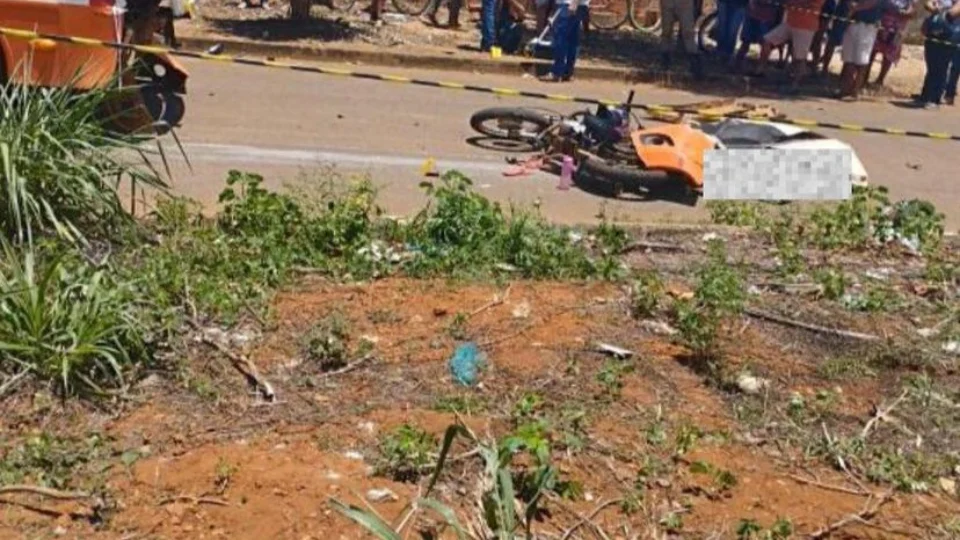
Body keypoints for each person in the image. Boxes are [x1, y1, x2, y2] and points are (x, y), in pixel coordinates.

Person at [754, 0, 826, 88]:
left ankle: (795, 84)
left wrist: (793, 3)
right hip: (789, 22)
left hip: (805, 27)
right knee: (767, 40)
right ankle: (760, 71)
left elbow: (811, 5)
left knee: (799, 57)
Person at [835, 0, 883, 100]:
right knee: (848, 58)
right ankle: (845, 89)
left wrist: (856, 7)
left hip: (867, 26)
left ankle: (855, 90)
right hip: (852, 23)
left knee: (861, 60)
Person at [916, 0, 960, 108]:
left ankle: (934, 99)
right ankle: (925, 95)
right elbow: (928, 3)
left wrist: (940, 10)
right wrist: (933, 8)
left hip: (950, 36)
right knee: (931, 66)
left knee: (941, 67)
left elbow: (953, 13)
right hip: (933, 33)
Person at [867, 0, 917, 86]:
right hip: (881, 23)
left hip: (897, 29)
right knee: (872, 50)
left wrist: (901, 12)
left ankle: (880, 80)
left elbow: (912, 13)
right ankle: (864, 77)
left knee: (889, 54)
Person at [541, 0, 588, 81]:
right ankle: (567, 72)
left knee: (561, 38)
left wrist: (574, 3)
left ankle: (557, 72)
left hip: (569, 4)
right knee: (572, 40)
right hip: (579, 5)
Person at [659, 0, 704, 77]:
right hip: (667, 3)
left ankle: (695, 64)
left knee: (688, 32)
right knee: (666, 31)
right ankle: (665, 61)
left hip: (685, 3)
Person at [734, 0, 781, 71]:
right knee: (746, 40)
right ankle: (737, 64)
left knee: (765, 42)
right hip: (753, 13)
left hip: (767, 15)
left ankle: (760, 69)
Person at [819, 0, 850, 74]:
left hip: (843, 13)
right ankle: (823, 66)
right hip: (832, 9)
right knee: (827, 41)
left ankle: (825, 68)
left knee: (832, 42)